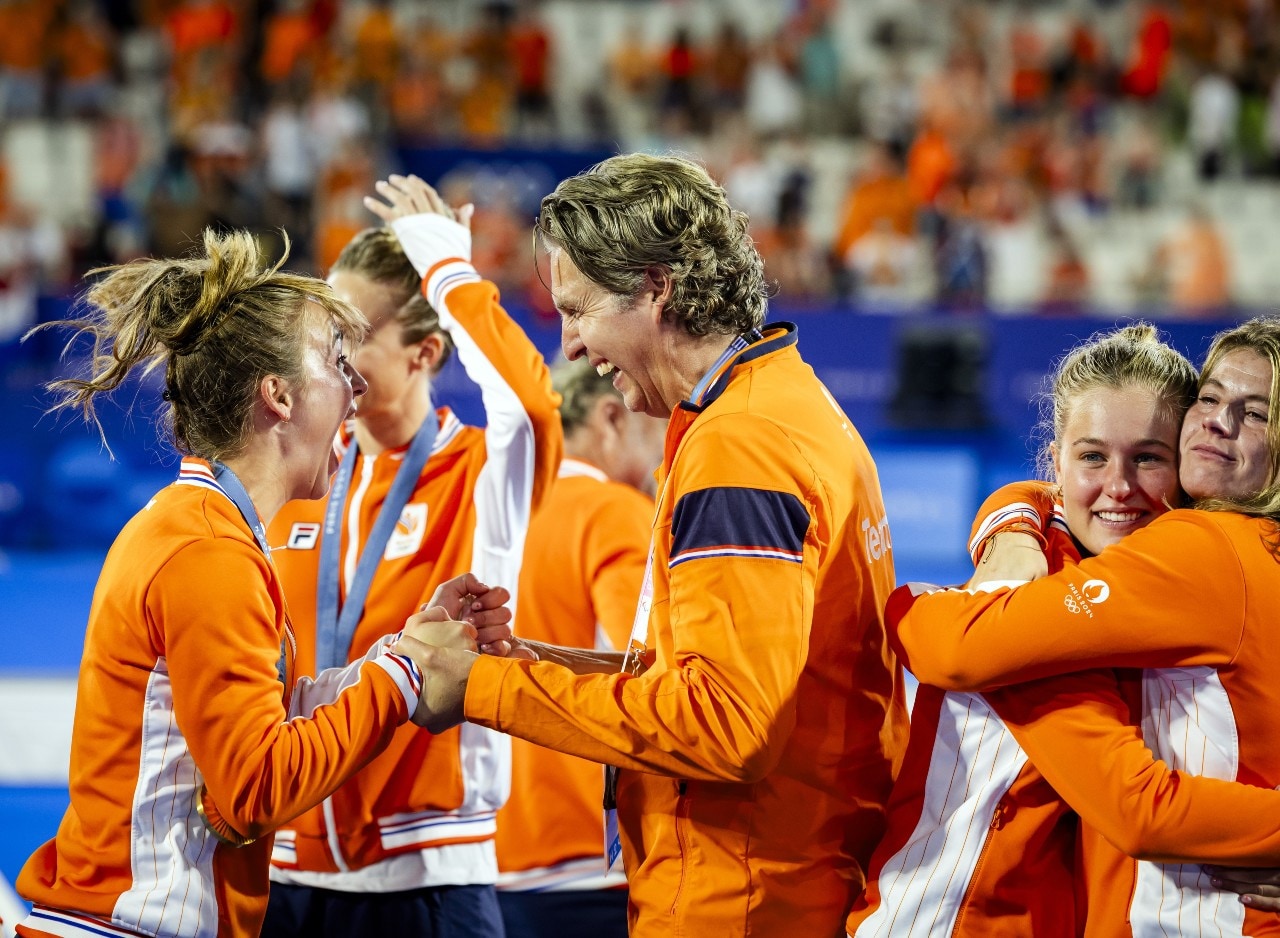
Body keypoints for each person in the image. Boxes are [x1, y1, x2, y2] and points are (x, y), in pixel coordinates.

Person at [401, 152, 911, 937]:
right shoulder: (779, 405)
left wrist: (479, 691)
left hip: (739, 897)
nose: (569, 346)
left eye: (578, 310)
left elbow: (726, 726)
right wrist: (528, 664)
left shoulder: (740, 444)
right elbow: (725, 677)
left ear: (654, 286)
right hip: (777, 878)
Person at [12, 229, 510, 938]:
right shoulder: (207, 552)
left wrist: (405, 652)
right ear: (277, 395)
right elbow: (254, 789)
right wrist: (403, 674)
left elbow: (256, 726)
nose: (357, 387)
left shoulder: (201, 528)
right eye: (339, 363)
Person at [850, 324, 1280, 936]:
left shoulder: (1177, 573)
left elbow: (956, 646)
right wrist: (1015, 518)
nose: (1120, 486)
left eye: (1149, 457)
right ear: (1056, 462)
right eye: (1092, 457)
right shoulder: (1041, 586)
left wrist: (917, 605)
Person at [261, 176, 561, 937]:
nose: (327, 358)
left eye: (351, 334)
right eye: (323, 333)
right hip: (281, 871)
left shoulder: (476, 474)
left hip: (425, 878)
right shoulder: (292, 479)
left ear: (428, 350)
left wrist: (447, 268)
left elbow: (527, 406)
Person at [495, 356, 665, 938]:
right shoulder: (615, 512)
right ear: (612, 418)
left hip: (474, 851)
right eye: (655, 429)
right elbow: (650, 674)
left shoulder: (493, 509)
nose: (664, 459)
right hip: (582, 857)